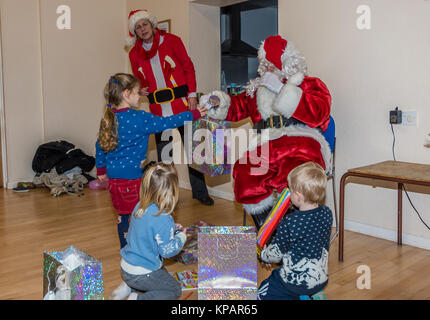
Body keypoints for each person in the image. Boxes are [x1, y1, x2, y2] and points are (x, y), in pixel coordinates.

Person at [199, 35, 332, 229]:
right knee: (244, 172)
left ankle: (298, 231)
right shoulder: (256, 90)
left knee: (297, 176)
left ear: (288, 63)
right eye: (266, 64)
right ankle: (271, 235)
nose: (268, 69)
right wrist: (218, 102)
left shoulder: (310, 84)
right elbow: (236, 107)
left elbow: (319, 113)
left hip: (301, 141)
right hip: (267, 144)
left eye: (274, 65)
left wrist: (281, 89)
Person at [95, 73, 206, 248]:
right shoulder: (139, 118)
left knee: (123, 217)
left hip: (113, 180)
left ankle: (127, 250)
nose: (140, 96)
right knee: (140, 216)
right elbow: (169, 122)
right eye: (137, 92)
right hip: (132, 179)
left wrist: (101, 171)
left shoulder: (109, 118)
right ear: (126, 94)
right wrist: (194, 114)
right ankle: (140, 251)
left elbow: (99, 144)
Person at [127, 9, 214, 206]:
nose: (143, 29)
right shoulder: (134, 53)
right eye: (138, 27)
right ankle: (167, 194)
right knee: (165, 155)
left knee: (194, 151)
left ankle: (200, 192)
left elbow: (188, 67)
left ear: (152, 24)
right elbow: (138, 78)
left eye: (145, 24)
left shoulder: (173, 41)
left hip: (182, 105)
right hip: (159, 111)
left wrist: (192, 94)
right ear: (135, 32)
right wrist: (140, 89)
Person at [109, 163, 187, 300]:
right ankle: (136, 298)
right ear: (172, 192)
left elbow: (147, 229)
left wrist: (172, 228)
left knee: (161, 271)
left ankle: (127, 287)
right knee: (174, 289)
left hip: (126, 267)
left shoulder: (139, 206)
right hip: (142, 273)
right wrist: (181, 237)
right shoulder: (163, 218)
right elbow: (167, 252)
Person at [257, 162, 333, 300]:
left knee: (264, 290)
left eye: (290, 190)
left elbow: (276, 255)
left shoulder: (290, 222)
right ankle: (313, 293)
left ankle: (302, 294)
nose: (288, 193)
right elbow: (307, 240)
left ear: (298, 196)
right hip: (320, 278)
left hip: (294, 283)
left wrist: (264, 255)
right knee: (288, 268)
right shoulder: (327, 213)